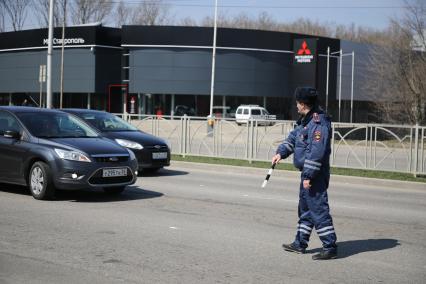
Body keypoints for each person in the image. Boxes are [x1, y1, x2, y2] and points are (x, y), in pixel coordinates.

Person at [271, 87, 337, 260]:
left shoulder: (318, 123)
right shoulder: (305, 121)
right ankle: (300, 243)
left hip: (315, 174)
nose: (296, 106)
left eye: (298, 103)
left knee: (318, 210)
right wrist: (281, 153)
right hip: (307, 173)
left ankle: (330, 246)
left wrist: (309, 176)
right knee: (306, 210)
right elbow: (294, 139)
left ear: (303, 104)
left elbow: (317, 152)